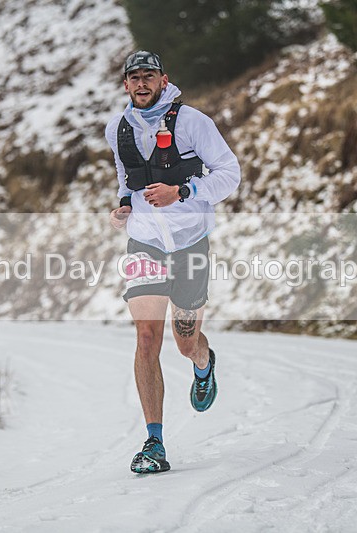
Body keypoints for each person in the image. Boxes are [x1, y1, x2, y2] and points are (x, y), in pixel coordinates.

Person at [106, 50, 241, 474]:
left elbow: (229, 173)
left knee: (184, 342)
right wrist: (124, 206)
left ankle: (203, 362)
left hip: (189, 242)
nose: (142, 83)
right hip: (144, 243)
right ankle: (154, 443)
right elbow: (125, 178)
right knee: (147, 339)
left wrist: (182, 193)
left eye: (149, 76)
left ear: (164, 80)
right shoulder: (118, 128)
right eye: (134, 77)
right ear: (125, 85)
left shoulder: (194, 122)